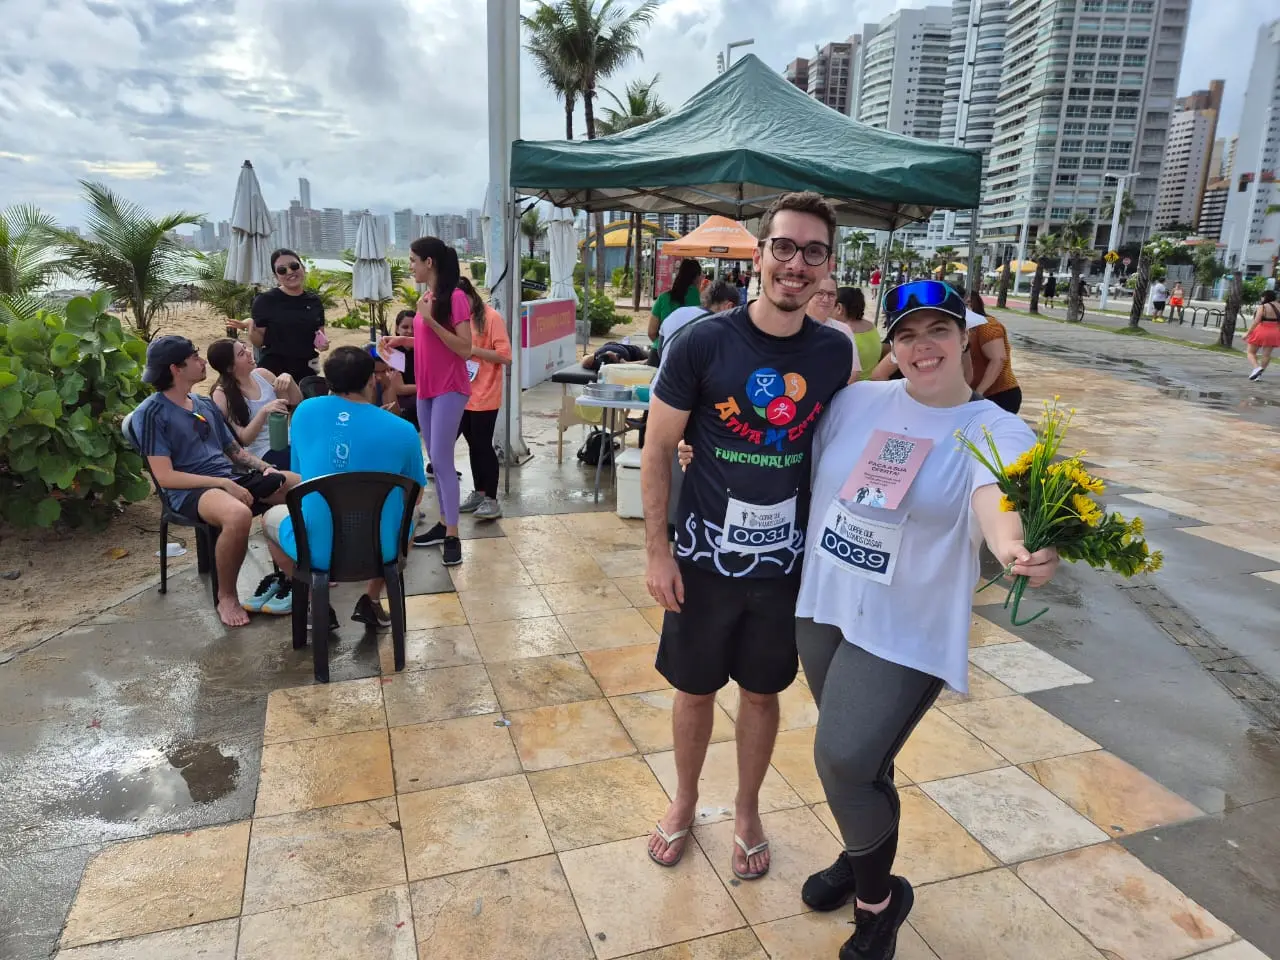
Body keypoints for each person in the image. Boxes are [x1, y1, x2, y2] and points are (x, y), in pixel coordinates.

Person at [676, 280, 1059, 960]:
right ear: (891, 344)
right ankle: (862, 857)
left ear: (966, 338)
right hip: (825, 607)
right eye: (907, 334)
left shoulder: (994, 427)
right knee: (863, 762)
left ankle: (880, 904)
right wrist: (700, 447)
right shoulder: (855, 403)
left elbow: (997, 496)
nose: (922, 346)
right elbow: (780, 446)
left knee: (845, 759)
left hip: (904, 627)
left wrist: (1011, 543)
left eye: (938, 331)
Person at [640, 191, 854, 880]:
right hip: (701, 561)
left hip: (783, 570)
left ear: (827, 266)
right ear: (759, 255)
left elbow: (854, 442)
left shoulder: (833, 355)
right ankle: (684, 800)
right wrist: (657, 550)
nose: (796, 264)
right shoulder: (703, 340)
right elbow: (656, 448)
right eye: (784, 248)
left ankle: (747, 809)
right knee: (694, 689)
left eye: (813, 252)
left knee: (763, 694)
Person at [131, 336, 300, 627]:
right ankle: (227, 596)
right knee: (237, 514)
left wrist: (264, 468)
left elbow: (234, 450)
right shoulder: (151, 414)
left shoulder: (202, 403)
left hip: (229, 477)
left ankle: (296, 573)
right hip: (190, 490)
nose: (201, 361)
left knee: (300, 485)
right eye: (194, 357)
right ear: (176, 368)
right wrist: (222, 484)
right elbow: (165, 476)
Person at [259, 346, 427, 629]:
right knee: (408, 517)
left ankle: (317, 602)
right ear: (372, 380)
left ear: (328, 381)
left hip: (317, 547)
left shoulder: (304, 413)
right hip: (382, 548)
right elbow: (417, 495)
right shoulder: (403, 430)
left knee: (267, 521)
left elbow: (302, 476)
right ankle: (371, 599)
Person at [380, 236, 472, 567]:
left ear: (429, 262)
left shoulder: (455, 298)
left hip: (450, 387)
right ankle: (444, 522)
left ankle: (453, 534)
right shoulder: (428, 297)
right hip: (427, 389)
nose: (411, 266)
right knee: (434, 457)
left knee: (443, 461)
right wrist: (404, 339)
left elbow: (465, 349)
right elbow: (429, 340)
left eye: (413, 260)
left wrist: (430, 319)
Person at [456, 277, 511, 521]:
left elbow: (505, 357)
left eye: (460, 301)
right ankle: (478, 492)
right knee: (472, 444)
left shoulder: (491, 318)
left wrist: (473, 350)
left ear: (470, 296)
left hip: (486, 393)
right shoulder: (458, 319)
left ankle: (491, 498)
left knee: (483, 444)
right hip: (463, 392)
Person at [208, 338, 303, 471]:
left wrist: (289, 380)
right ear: (230, 368)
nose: (248, 353)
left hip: (287, 440)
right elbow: (244, 439)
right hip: (261, 451)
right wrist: (264, 412)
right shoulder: (222, 394)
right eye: (241, 354)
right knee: (299, 466)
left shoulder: (262, 374)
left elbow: (294, 402)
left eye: (245, 347)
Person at [250, 249, 328, 383]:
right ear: (276, 276)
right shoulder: (265, 300)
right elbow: (259, 342)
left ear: (302, 268)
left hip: (307, 370)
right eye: (282, 270)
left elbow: (319, 336)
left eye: (294, 266)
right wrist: (250, 326)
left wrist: (323, 344)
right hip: (274, 372)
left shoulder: (314, 301)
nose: (290, 272)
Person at [965, 291, 1022, 413]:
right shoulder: (963, 329)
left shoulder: (986, 324)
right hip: (976, 394)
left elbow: (998, 359)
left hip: (999, 394)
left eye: (967, 303)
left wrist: (979, 393)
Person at [806, 274, 860, 383]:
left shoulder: (843, 330)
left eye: (831, 294)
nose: (826, 299)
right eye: (820, 293)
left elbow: (854, 371)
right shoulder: (792, 326)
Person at [832, 287, 886, 381]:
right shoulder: (871, 326)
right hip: (871, 384)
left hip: (851, 388)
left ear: (839, 308)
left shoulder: (842, 333)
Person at [648, 258, 704, 342]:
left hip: (660, 350)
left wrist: (663, 345)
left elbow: (651, 332)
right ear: (698, 278)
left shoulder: (663, 297)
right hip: (690, 352)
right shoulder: (704, 301)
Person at [1246, 289, 1280, 381]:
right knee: (1266, 355)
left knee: (1251, 352)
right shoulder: (1279, 306)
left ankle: (1256, 368)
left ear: (1265, 297)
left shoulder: (1263, 306)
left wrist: (1247, 333)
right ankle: (1258, 375)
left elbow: (1256, 321)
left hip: (1261, 330)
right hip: (1275, 332)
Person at [581, 340, 650, 371]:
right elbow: (645, 362)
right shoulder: (621, 363)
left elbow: (585, 358)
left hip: (613, 346)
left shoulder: (593, 359)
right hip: (633, 352)